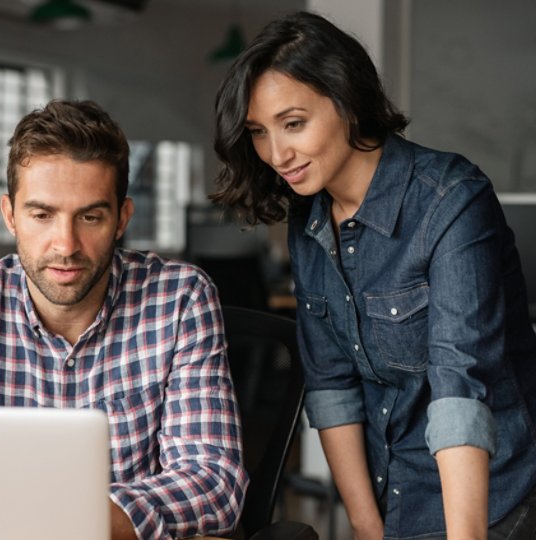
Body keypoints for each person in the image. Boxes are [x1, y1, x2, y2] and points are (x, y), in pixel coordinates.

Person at [211, 11, 536, 540]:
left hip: (489, 499)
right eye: (258, 133)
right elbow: (331, 385)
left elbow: (460, 389)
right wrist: (366, 527)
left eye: (293, 124)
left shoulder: (451, 201)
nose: (276, 155)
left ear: (347, 101)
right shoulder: (309, 218)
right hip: (396, 498)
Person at [0, 99, 247, 540]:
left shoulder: (178, 298)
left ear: (122, 219)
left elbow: (214, 482)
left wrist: (68, 519)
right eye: (42, 215)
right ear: (11, 216)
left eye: (90, 217)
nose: (66, 245)